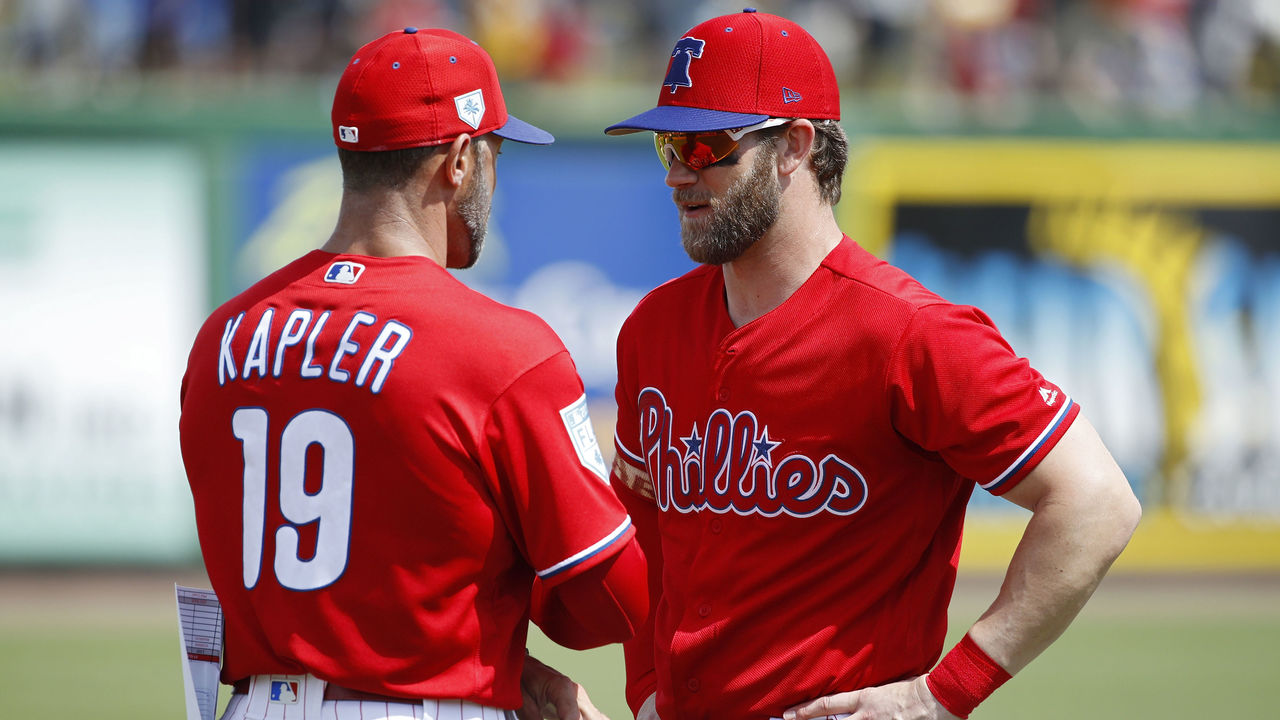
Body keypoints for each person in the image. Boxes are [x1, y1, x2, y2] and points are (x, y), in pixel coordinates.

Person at [601, 9, 1142, 720]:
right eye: (667, 145)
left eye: (705, 146)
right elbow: (644, 518)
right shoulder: (654, 328)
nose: (676, 175)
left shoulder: (909, 333)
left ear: (794, 146)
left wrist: (946, 693)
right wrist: (644, 685)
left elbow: (1098, 501)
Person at [179, 27, 648, 720]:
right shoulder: (502, 348)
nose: (493, 174)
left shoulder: (222, 337)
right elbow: (612, 604)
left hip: (253, 704)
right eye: (492, 152)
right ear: (459, 159)